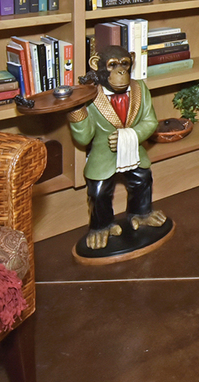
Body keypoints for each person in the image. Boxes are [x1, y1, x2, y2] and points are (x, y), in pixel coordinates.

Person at [67, 44, 164, 250]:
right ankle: (101, 225)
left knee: (142, 179)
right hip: (104, 155)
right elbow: (84, 138)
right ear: (97, 65)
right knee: (98, 192)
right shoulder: (90, 94)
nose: (121, 71)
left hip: (134, 151)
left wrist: (130, 135)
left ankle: (141, 213)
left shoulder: (140, 88)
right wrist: (76, 110)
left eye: (124, 64)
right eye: (113, 65)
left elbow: (150, 122)